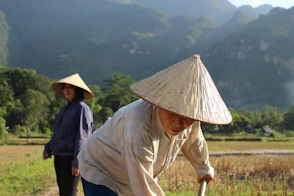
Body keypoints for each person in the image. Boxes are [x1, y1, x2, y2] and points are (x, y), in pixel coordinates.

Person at [78, 54, 232, 196]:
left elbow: (193, 141)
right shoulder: (138, 127)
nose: (178, 122)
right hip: (102, 171)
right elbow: (144, 188)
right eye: (172, 112)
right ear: (160, 103)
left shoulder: (191, 118)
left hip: (132, 176)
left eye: (187, 117)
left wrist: (203, 168)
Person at [43, 73, 94, 196]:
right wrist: (48, 148)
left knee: (70, 192)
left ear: (77, 90)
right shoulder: (64, 109)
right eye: (64, 87)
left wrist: (77, 161)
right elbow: (58, 133)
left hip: (71, 158)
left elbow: (83, 137)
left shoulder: (82, 109)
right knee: (63, 191)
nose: (66, 90)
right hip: (59, 157)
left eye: (70, 87)